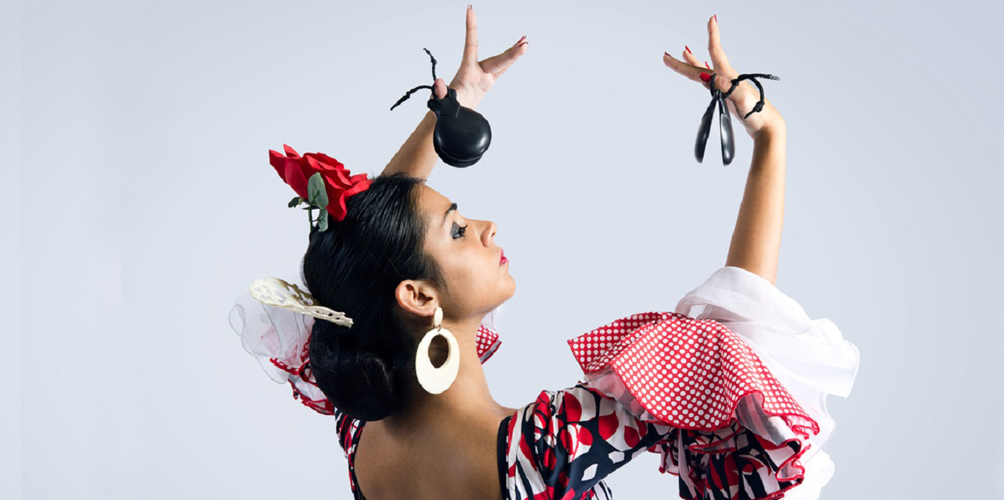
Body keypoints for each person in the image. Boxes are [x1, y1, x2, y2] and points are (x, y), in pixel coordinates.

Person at [228, 6, 859, 500]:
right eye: (455, 230)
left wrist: (451, 111)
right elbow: (730, 341)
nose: (486, 226)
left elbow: (360, 265)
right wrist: (771, 140)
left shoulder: (363, 430)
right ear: (417, 296)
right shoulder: (542, 449)